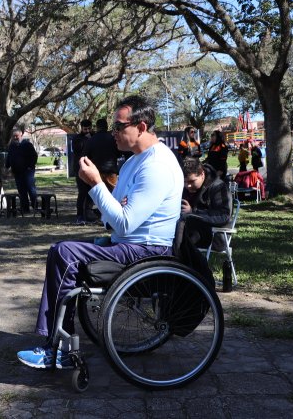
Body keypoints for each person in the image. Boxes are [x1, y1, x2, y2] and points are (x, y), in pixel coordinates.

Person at [16, 96, 183, 369]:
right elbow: (112, 215)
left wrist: (96, 185)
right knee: (62, 252)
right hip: (128, 243)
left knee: (64, 252)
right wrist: (113, 208)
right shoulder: (132, 162)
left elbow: (123, 222)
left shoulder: (157, 165)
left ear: (141, 127)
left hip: (147, 251)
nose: (112, 133)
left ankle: (56, 348)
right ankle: (57, 341)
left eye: (118, 127)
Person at [180, 159, 232, 251]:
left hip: (214, 235)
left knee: (180, 240)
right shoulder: (184, 187)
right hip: (190, 230)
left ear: (202, 175)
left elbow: (224, 215)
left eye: (192, 181)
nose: (188, 186)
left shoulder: (218, 186)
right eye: (185, 182)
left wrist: (193, 212)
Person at [6, 125, 38, 214]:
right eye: (14, 136)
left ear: (21, 135)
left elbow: (34, 156)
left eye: (17, 136)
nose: (15, 137)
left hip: (28, 171)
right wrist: (7, 166)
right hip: (17, 171)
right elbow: (9, 157)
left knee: (30, 188)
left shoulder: (27, 145)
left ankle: (35, 205)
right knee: (21, 190)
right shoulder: (12, 146)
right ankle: (25, 208)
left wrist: (30, 166)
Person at [83, 118, 121, 192]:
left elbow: (86, 156)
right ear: (106, 126)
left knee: (100, 195)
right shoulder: (113, 138)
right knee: (114, 194)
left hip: (97, 171)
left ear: (97, 127)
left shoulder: (91, 140)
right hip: (111, 171)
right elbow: (119, 153)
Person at [71, 119, 93, 225]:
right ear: (81, 128)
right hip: (80, 168)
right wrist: (88, 141)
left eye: (89, 128)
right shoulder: (77, 138)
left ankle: (89, 213)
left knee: (91, 192)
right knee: (82, 192)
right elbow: (79, 151)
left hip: (91, 167)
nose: (87, 131)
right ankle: (79, 215)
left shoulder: (94, 136)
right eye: (85, 129)